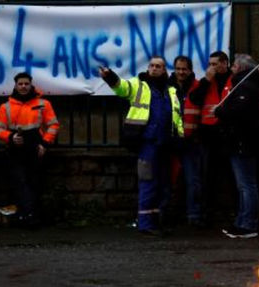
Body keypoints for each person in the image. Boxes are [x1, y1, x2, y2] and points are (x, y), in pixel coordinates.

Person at [99, 56, 183, 236]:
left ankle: (159, 221)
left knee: (164, 185)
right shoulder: (139, 84)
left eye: (158, 66)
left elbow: (177, 118)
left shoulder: (171, 90)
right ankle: (145, 224)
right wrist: (109, 76)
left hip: (166, 144)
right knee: (148, 182)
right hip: (147, 143)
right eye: (152, 65)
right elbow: (121, 88)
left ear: (164, 70)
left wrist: (179, 138)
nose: (154, 69)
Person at [214, 53, 259, 239]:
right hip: (241, 142)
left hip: (243, 142)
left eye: (234, 66)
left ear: (240, 68)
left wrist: (220, 111)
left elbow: (239, 113)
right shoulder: (247, 85)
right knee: (244, 185)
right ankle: (242, 221)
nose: (231, 69)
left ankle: (248, 224)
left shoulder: (246, 87)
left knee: (247, 185)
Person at [0, 72, 60, 228]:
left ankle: (29, 216)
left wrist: (45, 144)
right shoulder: (6, 107)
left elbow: (53, 125)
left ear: (31, 85)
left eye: (26, 84)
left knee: (34, 183)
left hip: (35, 148)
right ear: (15, 85)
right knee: (20, 183)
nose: (23, 86)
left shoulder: (43, 103)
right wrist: (10, 137)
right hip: (14, 149)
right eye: (20, 84)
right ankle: (29, 217)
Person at [187, 51, 233, 228]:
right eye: (210, 64)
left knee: (230, 176)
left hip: (227, 133)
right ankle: (208, 213)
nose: (211, 67)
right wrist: (206, 80)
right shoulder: (205, 81)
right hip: (208, 134)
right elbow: (195, 99)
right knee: (208, 176)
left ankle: (231, 212)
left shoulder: (233, 79)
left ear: (224, 63)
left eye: (214, 64)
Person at [167, 55, 203, 227]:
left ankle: (193, 216)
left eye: (184, 69)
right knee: (169, 180)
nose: (181, 72)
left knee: (193, 181)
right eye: (178, 69)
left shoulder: (197, 86)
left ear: (189, 70)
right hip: (171, 141)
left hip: (191, 141)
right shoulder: (167, 87)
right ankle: (168, 214)